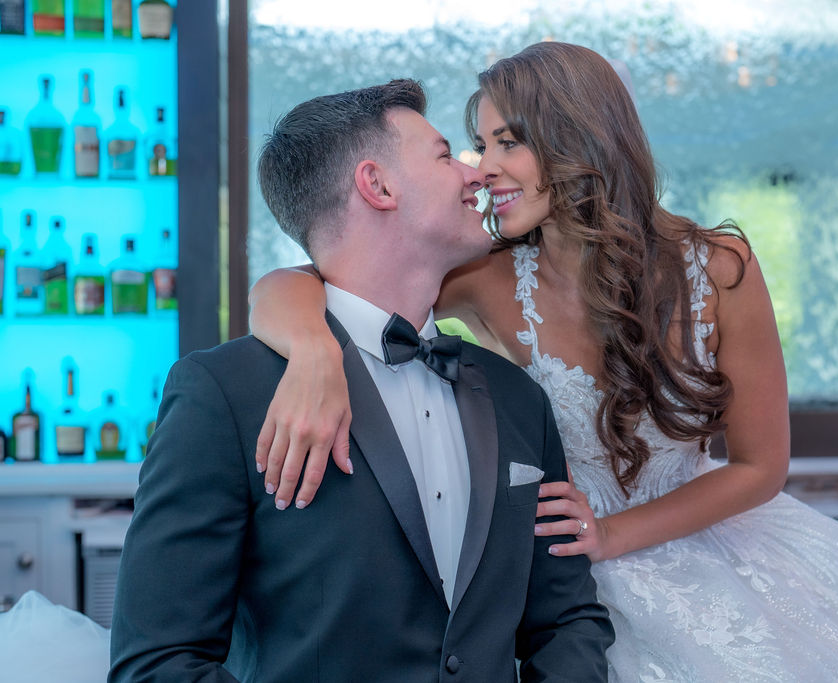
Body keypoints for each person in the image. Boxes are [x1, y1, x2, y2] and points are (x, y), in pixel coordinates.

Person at [248, 43, 838, 681]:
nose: (484, 168)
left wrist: (614, 535)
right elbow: (298, 284)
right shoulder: (484, 277)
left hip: (726, 557)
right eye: (479, 145)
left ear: (577, 140)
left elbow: (761, 466)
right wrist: (313, 352)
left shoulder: (721, 267)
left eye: (508, 142)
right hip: (571, 587)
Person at [109, 78, 614, 682]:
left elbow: (567, 621)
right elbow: (159, 661)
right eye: (446, 155)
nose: (476, 174)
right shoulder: (224, 395)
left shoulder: (519, 397)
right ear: (377, 186)